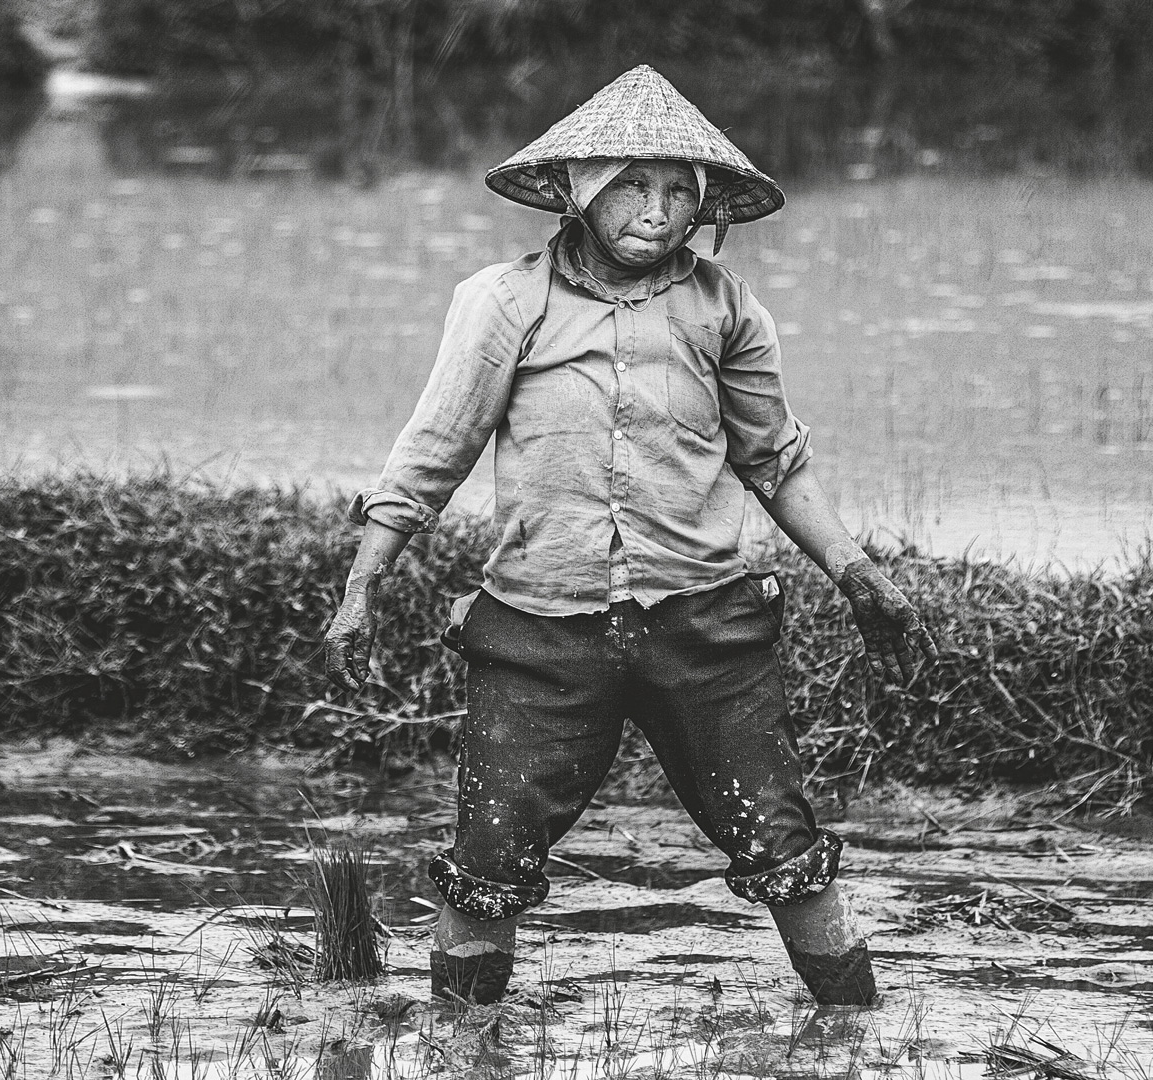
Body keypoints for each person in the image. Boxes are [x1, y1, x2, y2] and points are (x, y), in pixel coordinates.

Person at [323, 65, 937, 1007]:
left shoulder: (725, 310)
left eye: (680, 190)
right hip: (540, 629)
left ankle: (856, 1032)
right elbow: (434, 451)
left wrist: (858, 575)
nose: (658, 210)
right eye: (633, 186)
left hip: (707, 623)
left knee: (782, 840)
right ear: (581, 192)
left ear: (705, 208)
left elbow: (774, 459)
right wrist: (366, 579)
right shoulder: (505, 302)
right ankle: (461, 1045)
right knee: (489, 850)